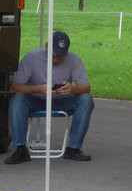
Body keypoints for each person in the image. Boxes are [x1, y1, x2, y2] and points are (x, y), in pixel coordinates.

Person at [5, 31, 94, 164]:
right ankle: (20, 148)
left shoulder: (74, 59)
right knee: (17, 99)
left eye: (61, 55)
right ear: (47, 46)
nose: (57, 58)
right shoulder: (31, 58)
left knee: (86, 99)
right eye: (54, 53)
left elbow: (86, 87)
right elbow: (15, 86)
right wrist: (39, 89)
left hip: (61, 100)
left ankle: (74, 149)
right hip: (35, 99)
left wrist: (72, 89)